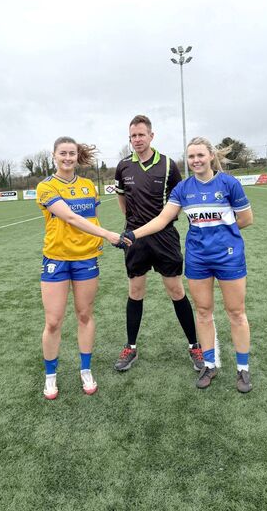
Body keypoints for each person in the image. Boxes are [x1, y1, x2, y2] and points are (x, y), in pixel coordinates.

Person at [121, 137, 254, 393]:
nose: (195, 161)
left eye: (200, 155)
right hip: (197, 258)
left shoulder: (229, 184)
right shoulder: (183, 188)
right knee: (203, 312)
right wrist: (134, 234)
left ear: (211, 156)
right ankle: (209, 364)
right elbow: (162, 219)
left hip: (228, 256)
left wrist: (222, 231)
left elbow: (246, 219)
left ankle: (242, 369)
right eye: (191, 157)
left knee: (236, 313)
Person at [113, 115, 204, 373]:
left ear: (151, 136)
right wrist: (133, 225)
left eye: (141, 135)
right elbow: (122, 202)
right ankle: (131, 347)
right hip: (135, 239)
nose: (137, 140)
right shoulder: (122, 167)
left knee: (176, 290)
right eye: (133, 136)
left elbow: (178, 200)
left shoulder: (167, 165)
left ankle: (194, 345)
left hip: (164, 237)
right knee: (135, 292)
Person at [36, 136, 121, 399]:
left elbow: (90, 218)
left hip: (86, 259)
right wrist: (107, 234)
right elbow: (71, 217)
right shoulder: (46, 186)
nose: (68, 158)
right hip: (57, 259)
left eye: (72, 153)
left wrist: (96, 241)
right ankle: (51, 376)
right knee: (53, 321)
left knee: (85, 315)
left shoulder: (88, 186)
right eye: (63, 153)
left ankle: (86, 370)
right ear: (54, 156)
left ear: (77, 156)